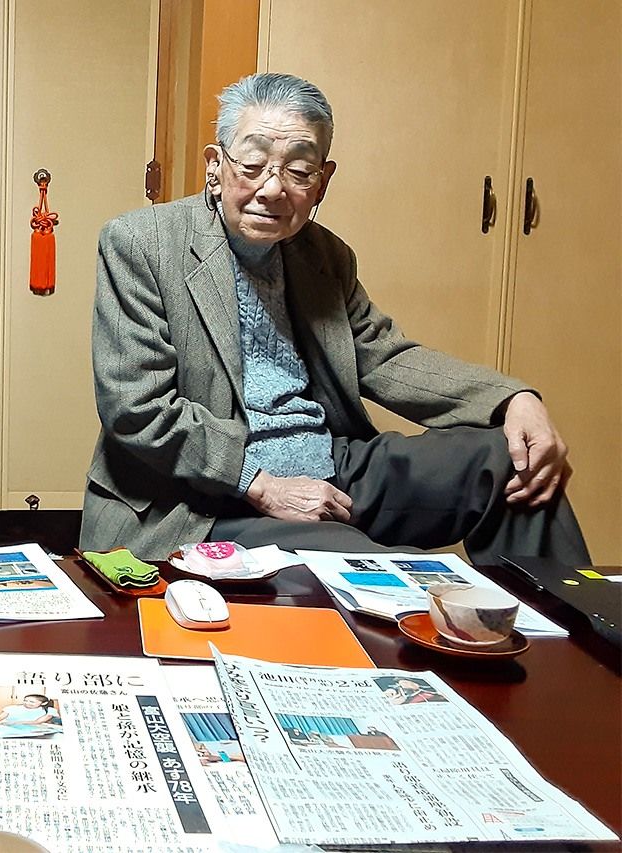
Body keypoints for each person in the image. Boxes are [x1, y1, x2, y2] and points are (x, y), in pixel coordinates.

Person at [81, 72, 591, 567]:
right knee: (373, 568)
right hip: (201, 498)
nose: (273, 189)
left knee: (509, 461)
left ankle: (575, 636)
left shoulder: (324, 256)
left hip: (325, 465)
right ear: (215, 166)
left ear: (322, 182)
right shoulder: (142, 244)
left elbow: (385, 356)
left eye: (299, 171)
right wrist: (260, 484)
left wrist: (513, 399)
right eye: (253, 164)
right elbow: (136, 408)